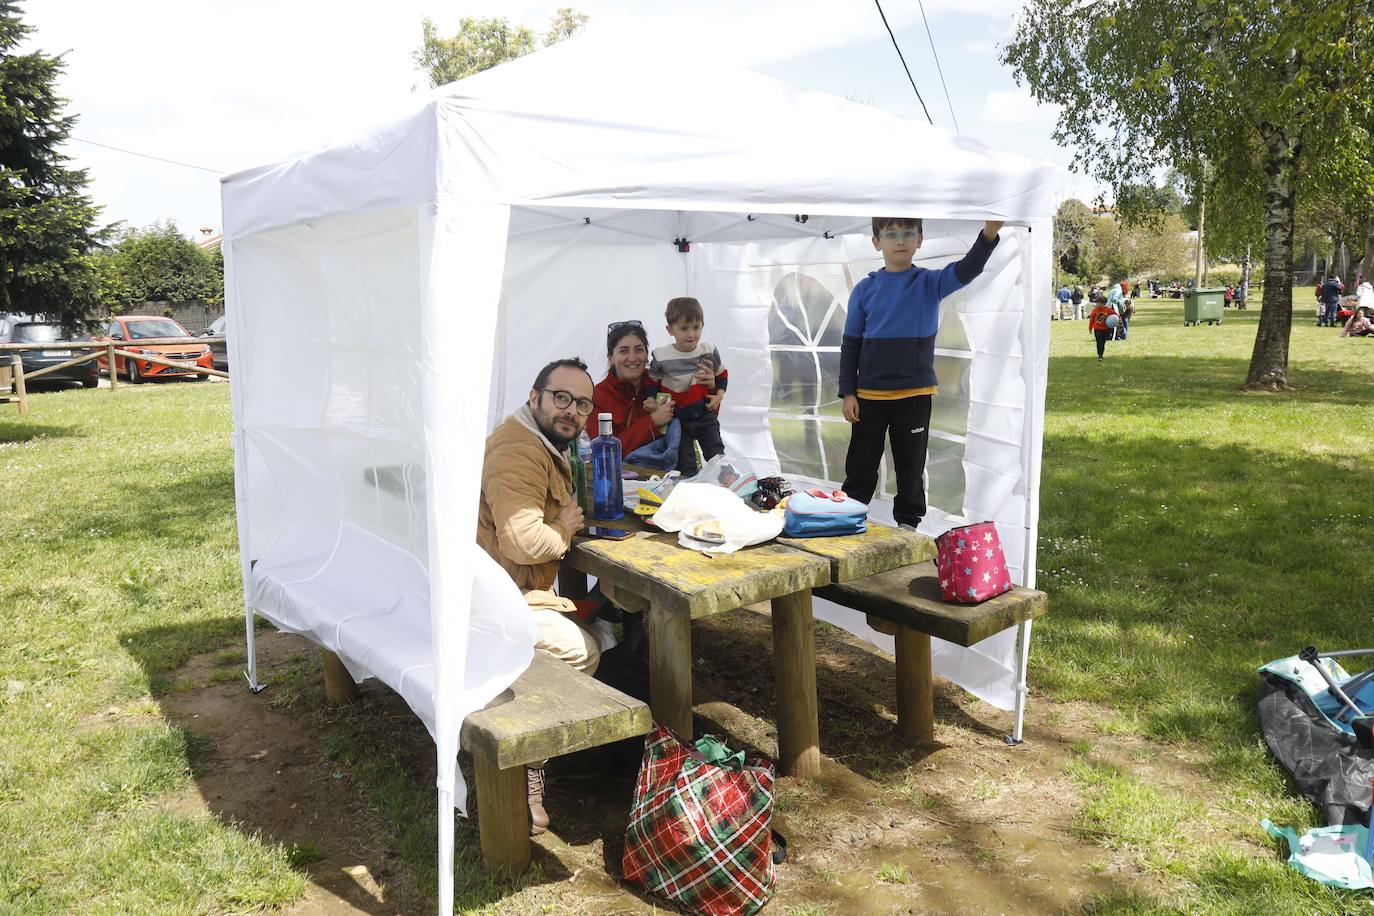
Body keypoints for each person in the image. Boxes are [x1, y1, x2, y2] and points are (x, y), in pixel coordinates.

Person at [477, 356, 601, 834]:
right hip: (492, 602)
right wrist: (565, 526)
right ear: (536, 398)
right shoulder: (518, 451)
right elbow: (523, 542)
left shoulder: (542, 442)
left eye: (582, 404)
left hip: (502, 587)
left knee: (609, 614)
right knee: (580, 650)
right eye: (561, 398)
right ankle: (529, 765)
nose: (571, 410)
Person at [838, 217, 1002, 531]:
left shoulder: (930, 283)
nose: (900, 240)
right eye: (891, 234)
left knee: (910, 467)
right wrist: (848, 392)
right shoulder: (864, 290)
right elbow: (851, 344)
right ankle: (847, 519)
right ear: (877, 242)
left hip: (914, 396)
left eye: (908, 233)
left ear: (919, 240)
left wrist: (989, 234)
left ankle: (908, 527)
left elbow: (968, 269)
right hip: (868, 397)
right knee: (861, 465)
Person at [644, 296, 728, 476]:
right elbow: (652, 381)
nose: (691, 334)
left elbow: (722, 374)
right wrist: (650, 398)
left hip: (704, 414)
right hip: (678, 418)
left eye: (696, 327)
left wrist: (719, 395)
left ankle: (726, 485)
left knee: (717, 455)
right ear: (670, 330)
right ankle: (688, 489)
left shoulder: (709, 351)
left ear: (703, 325)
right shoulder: (661, 356)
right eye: (684, 328)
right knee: (685, 462)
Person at [593, 321, 679, 467]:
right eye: (624, 351)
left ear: (647, 356)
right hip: (619, 479)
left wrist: (710, 389)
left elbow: (698, 419)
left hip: (668, 474)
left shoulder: (664, 383)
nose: (632, 358)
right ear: (610, 358)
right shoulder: (599, 395)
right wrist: (652, 422)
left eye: (639, 350)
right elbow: (602, 452)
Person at [1088, 295, 1116, 360]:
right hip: (1097, 329)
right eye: (1096, 302)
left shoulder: (1108, 310)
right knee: (1099, 342)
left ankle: (1101, 353)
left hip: (1106, 329)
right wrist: (1090, 328)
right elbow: (1092, 319)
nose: (1096, 304)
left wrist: (1118, 320)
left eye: (1098, 302)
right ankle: (1100, 355)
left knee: (1103, 342)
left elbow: (1115, 315)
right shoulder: (1095, 310)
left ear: (1103, 303)